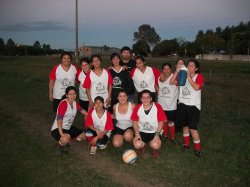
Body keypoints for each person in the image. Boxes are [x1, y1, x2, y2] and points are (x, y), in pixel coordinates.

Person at [175, 59, 204, 157]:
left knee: (193, 129)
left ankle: (198, 149)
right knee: (185, 126)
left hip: (193, 106)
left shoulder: (199, 76)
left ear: (196, 69)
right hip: (183, 104)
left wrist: (188, 77)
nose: (189, 67)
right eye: (188, 65)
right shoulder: (182, 75)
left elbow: (196, 87)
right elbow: (174, 83)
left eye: (192, 66)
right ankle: (186, 145)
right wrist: (178, 72)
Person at [51, 86, 88, 153]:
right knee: (65, 137)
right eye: (70, 94)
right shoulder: (63, 104)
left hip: (68, 127)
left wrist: (96, 116)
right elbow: (59, 120)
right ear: (67, 95)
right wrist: (61, 133)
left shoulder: (75, 103)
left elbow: (84, 112)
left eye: (74, 94)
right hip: (57, 128)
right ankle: (61, 147)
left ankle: (68, 139)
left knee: (84, 136)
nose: (72, 96)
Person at [131, 90, 167, 159]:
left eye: (147, 97)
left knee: (155, 145)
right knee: (137, 145)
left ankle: (154, 148)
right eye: (143, 97)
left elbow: (161, 123)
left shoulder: (157, 107)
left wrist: (157, 135)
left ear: (151, 98)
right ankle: (143, 145)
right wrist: (137, 134)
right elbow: (135, 123)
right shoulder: (137, 107)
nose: (145, 99)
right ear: (141, 99)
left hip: (154, 131)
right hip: (142, 131)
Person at [157, 63, 178, 142]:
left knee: (170, 121)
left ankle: (172, 137)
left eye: (168, 69)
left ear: (171, 69)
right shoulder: (160, 77)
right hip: (161, 105)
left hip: (171, 105)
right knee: (164, 121)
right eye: (164, 69)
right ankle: (165, 135)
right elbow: (157, 86)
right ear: (162, 70)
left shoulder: (174, 77)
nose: (166, 70)